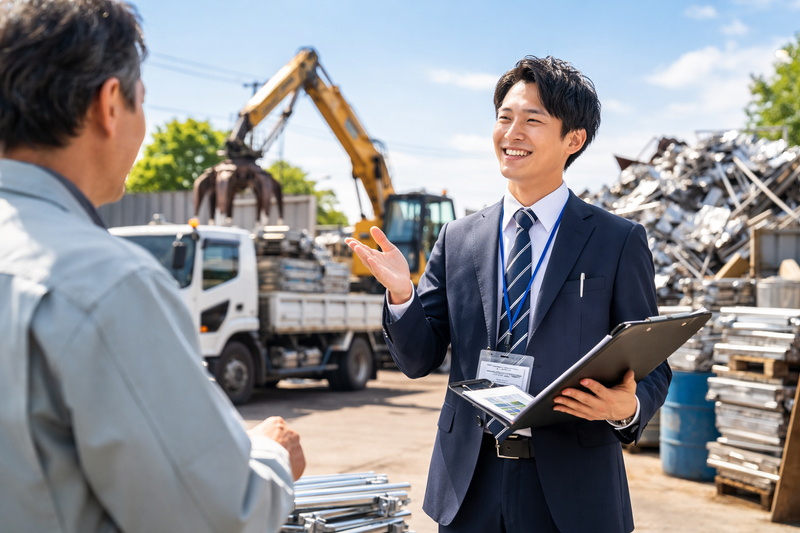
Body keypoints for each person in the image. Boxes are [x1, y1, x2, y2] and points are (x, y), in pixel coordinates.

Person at [0, 2, 304, 532]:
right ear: (110, 103)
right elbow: (219, 515)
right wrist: (270, 457)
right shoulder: (107, 285)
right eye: (144, 101)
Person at [347, 56, 670, 533]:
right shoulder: (458, 239)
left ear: (573, 140)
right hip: (470, 485)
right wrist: (401, 294)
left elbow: (653, 365)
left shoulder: (616, 240)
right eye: (504, 117)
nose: (512, 132)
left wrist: (630, 408)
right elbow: (417, 359)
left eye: (532, 120)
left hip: (573, 492)